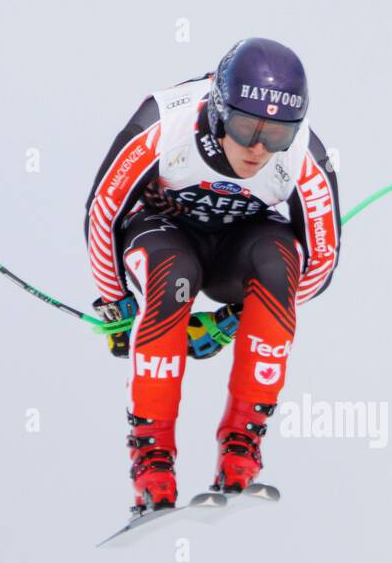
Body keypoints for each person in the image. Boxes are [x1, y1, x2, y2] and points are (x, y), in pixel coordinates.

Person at [84, 38, 341, 515]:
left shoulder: (303, 156)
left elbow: (321, 262)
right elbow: (104, 210)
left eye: (278, 135)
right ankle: (151, 458)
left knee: (279, 264)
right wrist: (115, 302)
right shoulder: (165, 123)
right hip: (164, 234)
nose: (260, 149)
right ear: (220, 110)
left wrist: (233, 320)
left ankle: (242, 446)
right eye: (246, 128)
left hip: (236, 253)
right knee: (172, 273)